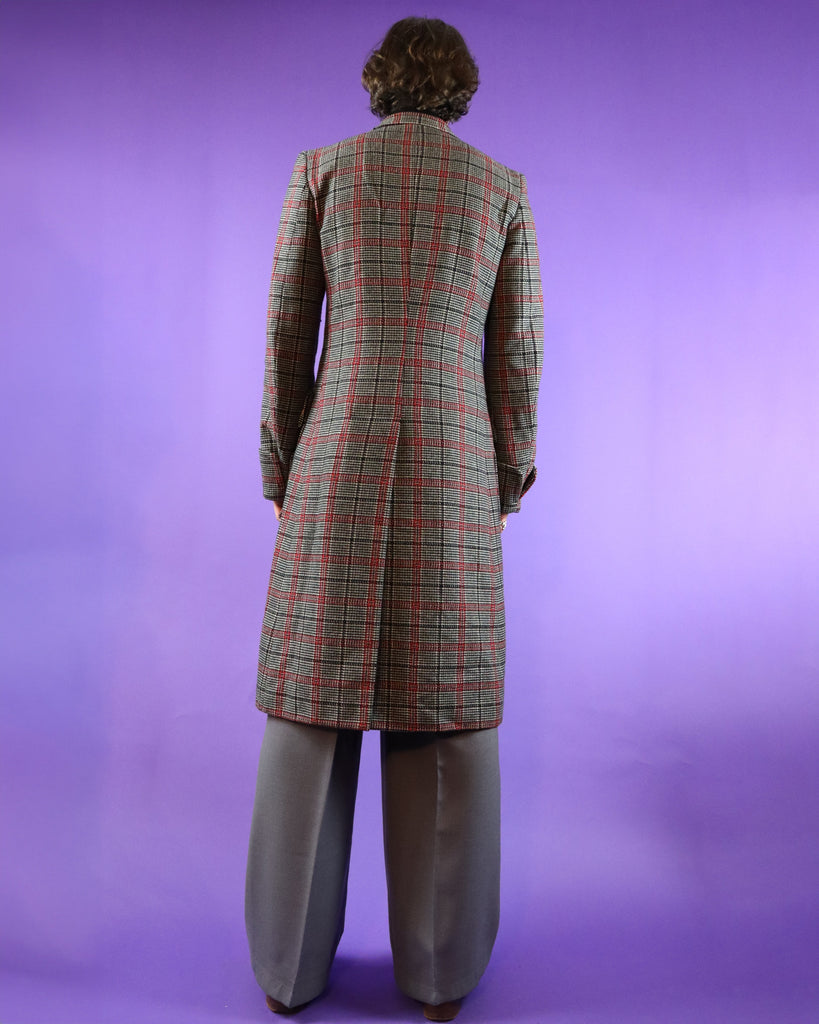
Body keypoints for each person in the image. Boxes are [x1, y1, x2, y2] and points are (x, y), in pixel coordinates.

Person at [245, 16, 544, 1022]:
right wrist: (507, 479)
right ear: (461, 88)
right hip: (455, 462)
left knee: (311, 708)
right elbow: (517, 355)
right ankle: (440, 975)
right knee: (443, 713)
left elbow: (287, 332)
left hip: (336, 454)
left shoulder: (322, 172)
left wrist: (282, 465)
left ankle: (287, 968)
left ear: (378, 81)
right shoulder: (501, 189)